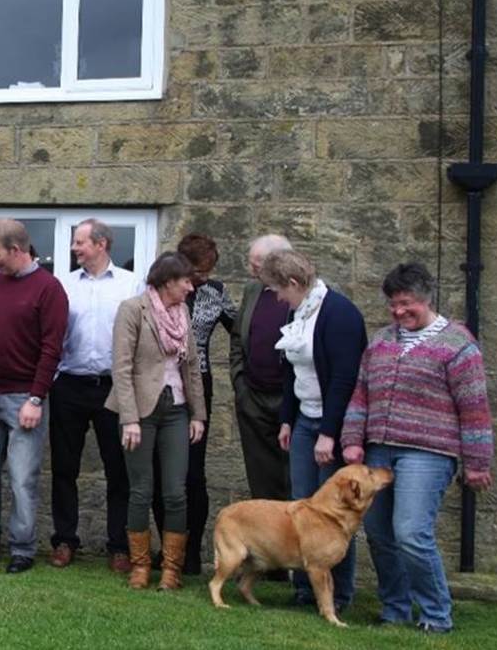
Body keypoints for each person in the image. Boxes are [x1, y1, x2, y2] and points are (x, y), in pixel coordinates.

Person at [342, 263, 493, 634]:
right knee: (379, 534)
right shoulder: (379, 341)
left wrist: (477, 462)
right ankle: (395, 609)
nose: (398, 312)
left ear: (426, 298)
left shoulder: (458, 345)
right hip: (378, 451)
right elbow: (361, 395)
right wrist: (351, 441)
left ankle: (436, 615)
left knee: (410, 532)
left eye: (406, 303)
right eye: (393, 304)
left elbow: (474, 407)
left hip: (428, 452)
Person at [262, 249, 367, 612]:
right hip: (305, 419)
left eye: (278, 289)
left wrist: (329, 432)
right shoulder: (298, 312)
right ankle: (306, 591)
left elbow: (343, 379)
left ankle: (338, 596)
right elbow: (292, 371)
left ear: (294, 283)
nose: (276, 298)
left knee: (334, 514)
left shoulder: (339, 314)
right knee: (304, 507)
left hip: (331, 423)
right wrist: (288, 420)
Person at [0, 218, 68, 574]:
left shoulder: (49, 289)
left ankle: (22, 549)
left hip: (25, 398)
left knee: (22, 478)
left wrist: (36, 399)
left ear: (16, 250)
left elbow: (52, 349)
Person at [108, 251, 205, 591]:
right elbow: (120, 367)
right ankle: (140, 566)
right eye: (185, 281)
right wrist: (130, 418)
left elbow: (191, 366)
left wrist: (199, 415)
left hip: (176, 408)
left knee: (176, 492)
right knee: (140, 490)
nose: (190, 288)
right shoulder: (133, 310)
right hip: (140, 412)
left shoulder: (183, 314)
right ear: (167, 282)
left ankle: (171, 569)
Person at [50, 219, 140, 571]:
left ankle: (119, 546)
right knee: (63, 467)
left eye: (80, 242)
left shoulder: (131, 284)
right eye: (74, 242)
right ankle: (64, 541)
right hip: (70, 384)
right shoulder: (64, 285)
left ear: (101, 244)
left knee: (118, 470)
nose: (74, 248)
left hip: (112, 387)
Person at [152, 233, 237, 575]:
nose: (203, 277)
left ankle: (189, 554)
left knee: (192, 474)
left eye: (208, 270)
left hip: (197, 385)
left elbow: (241, 330)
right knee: (161, 472)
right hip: (160, 384)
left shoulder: (216, 293)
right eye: (199, 271)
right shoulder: (159, 292)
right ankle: (167, 547)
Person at [228, 234, 293, 507]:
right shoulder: (252, 291)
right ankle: (268, 542)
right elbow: (237, 338)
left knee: (295, 478)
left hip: (292, 399)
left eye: (256, 265)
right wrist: (240, 383)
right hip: (253, 398)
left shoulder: (310, 292)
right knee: (261, 479)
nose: (251, 270)